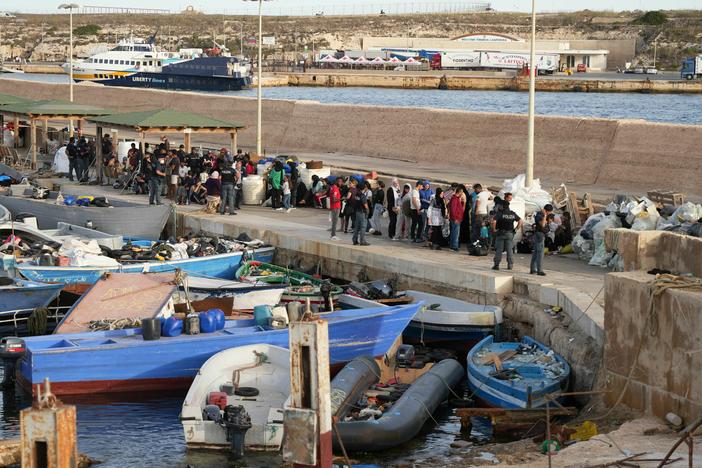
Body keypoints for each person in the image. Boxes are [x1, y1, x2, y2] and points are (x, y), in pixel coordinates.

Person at [492, 201, 522, 271]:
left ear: (502, 206)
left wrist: (494, 229)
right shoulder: (512, 213)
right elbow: (520, 221)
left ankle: (496, 265)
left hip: (501, 233)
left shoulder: (500, 213)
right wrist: (516, 229)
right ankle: (510, 265)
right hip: (510, 233)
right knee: (509, 249)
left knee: (499, 249)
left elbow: (494, 221)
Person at [531, 204, 553, 276]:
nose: (550, 213)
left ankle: (533, 268)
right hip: (539, 234)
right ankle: (539, 270)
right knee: (540, 253)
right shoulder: (540, 215)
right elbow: (543, 225)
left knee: (536, 252)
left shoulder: (542, 215)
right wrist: (545, 215)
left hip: (541, 234)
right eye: (549, 212)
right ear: (547, 211)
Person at [448, 185, 466, 251]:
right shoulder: (455, 199)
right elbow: (453, 209)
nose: (462, 194)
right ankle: (454, 246)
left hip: (457, 218)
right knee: (455, 233)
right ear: (460, 192)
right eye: (462, 193)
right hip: (456, 219)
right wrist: (455, 218)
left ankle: (453, 245)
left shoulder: (456, 199)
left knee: (454, 232)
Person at [352, 180, 370, 246]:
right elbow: (365, 205)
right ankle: (362, 241)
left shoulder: (357, 195)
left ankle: (355, 240)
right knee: (363, 227)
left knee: (356, 227)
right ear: (363, 188)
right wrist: (368, 211)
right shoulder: (362, 196)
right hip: (362, 213)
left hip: (357, 212)